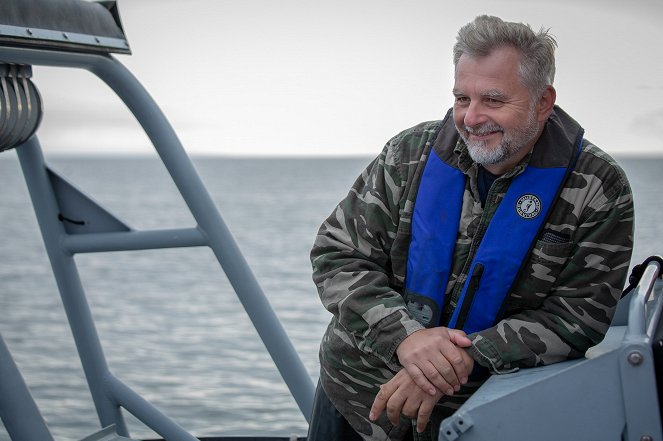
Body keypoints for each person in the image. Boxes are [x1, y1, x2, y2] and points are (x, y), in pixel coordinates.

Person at [307, 15, 634, 441]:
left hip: (481, 416)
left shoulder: (598, 188)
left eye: (493, 100)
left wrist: (459, 360)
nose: (472, 118)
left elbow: (579, 316)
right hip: (355, 395)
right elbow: (337, 254)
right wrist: (406, 339)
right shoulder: (409, 154)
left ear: (543, 101)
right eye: (462, 98)